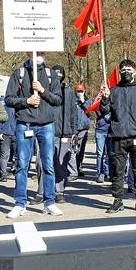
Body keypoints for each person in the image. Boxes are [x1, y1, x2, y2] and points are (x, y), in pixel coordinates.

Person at [4, 54, 63, 218]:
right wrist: (26, 101)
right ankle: (20, 203)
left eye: (41, 54)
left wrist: (43, 91)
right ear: (29, 55)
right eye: (34, 54)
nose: (37, 57)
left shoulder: (51, 75)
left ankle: (49, 202)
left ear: (45, 56)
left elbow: (58, 99)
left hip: (47, 125)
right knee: (22, 164)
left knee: (48, 165)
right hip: (25, 124)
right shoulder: (19, 73)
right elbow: (8, 99)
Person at [98, 59, 136, 213]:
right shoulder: (113, 90)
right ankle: (117, 200)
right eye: (123, 70)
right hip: (118, 136)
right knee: (117, 170)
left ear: (135, 72)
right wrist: (105, 98)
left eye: (129, 69)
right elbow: (104, 112)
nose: (126, 72)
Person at [50, 66, 87, 202]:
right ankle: (44, 191)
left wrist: (74, 132)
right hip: (49, 132)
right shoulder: (46, 91)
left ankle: (59, 191)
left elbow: (73, 113)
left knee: (61, 163)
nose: (58, 77)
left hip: (65, 133)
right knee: (44, 164)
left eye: (60, 74)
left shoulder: (69, 92)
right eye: (56, 74)